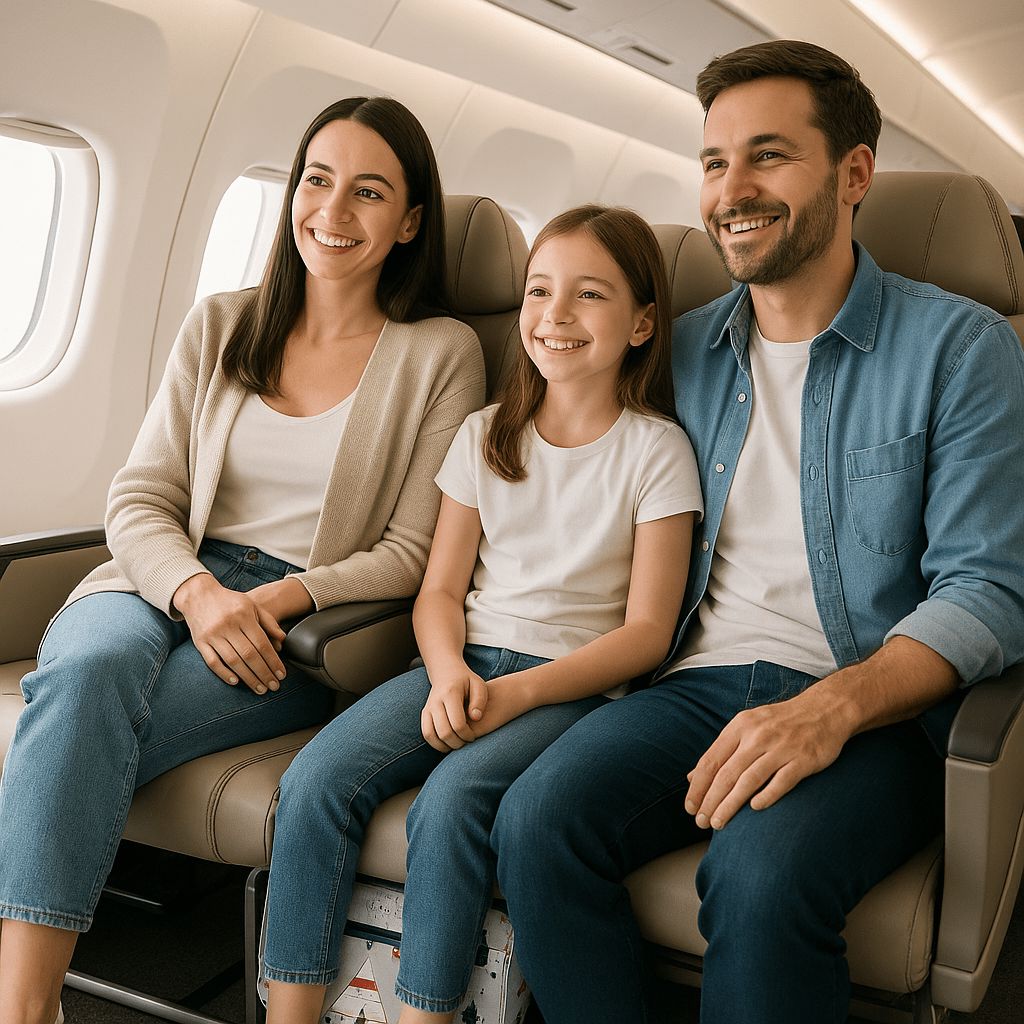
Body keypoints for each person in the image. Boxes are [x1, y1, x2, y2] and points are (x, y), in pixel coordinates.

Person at [491, 40, 1024, 1024]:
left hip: (875, 707)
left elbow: (988, 588)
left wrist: (830, 709)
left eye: (767, 156)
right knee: (532, 822)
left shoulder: (965, 347)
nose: (730, 190)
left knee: (762, 875)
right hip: (690, 683)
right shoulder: (677, 345)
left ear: (852, 174)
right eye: (712, 162)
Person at [0, 95, 485, 1024]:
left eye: (369, 193)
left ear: (410, 220)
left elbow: (413, 550)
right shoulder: (222, 321)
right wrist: (196, 592)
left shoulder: (442, 352)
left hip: (305, 627)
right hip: (163, 577)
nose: (333, 214)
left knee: (83, 723)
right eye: (316, 181)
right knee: (90, 668)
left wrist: (282, 598)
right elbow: (139, 499)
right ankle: (27, 1007)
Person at [260, 205, 704, 1023]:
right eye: (539, 291)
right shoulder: (483, 434)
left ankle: (423, 1015)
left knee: (454, 802)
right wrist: (447, 674)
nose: (555, 316)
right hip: (461, 663)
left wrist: (516, 695)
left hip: (570, 688)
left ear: (643, 323)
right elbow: (438, 590)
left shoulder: (656, 450)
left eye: (589, 295)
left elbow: (644, 635)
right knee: (315, 781)